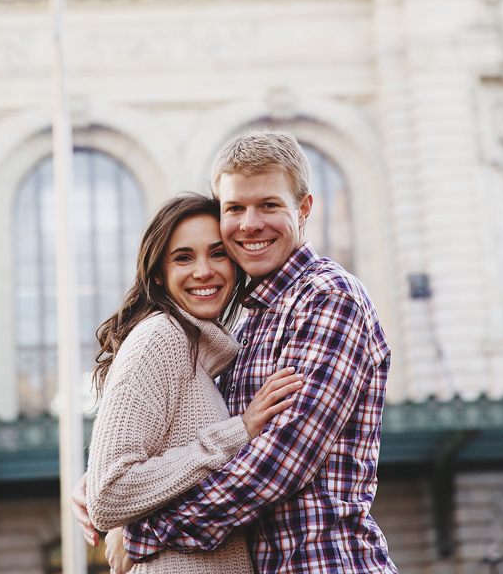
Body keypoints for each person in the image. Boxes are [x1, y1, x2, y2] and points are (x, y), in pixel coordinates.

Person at [95, 131, 398, 574]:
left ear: (305, 208)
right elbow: (187, 437)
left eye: (269, 205)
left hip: (323, 563)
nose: (250, 224)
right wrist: (109, 484)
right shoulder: (243, 322)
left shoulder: (329, 298)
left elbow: (279, 462)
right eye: (234, 208)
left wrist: (146, 530)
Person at [77, 191, 303, 573]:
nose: (204, 271)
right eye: (183, 257)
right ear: (158, 274)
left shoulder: (201, 351)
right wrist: (240, 431)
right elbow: (109, 493)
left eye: (218, 254)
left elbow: (156, 455)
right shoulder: (160, 338)